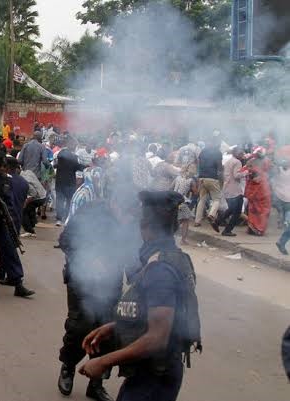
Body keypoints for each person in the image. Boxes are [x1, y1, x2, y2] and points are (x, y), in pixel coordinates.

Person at [79, 191, 191, 401]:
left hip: (154, 378)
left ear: (146, 228)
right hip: (150, 373)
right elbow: (153, 315)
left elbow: (157, 337)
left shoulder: (160, 271)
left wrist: (104, 361)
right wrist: (113, 327)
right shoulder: (169, 258)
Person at [57, 197, 132, 401]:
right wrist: (88, 259)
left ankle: (96, 383)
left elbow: (134, 255)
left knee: (108, 331)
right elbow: (65, 240)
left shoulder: (132, 220)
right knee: (80, 326)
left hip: (111, 283)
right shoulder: (90, 211)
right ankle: (68, 367)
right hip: (82, 279)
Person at [0, 151, 36, 297]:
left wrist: (12, 221)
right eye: (1, 166)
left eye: (5, 166)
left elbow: (9, 203)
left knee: (9, 250)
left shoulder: (5, 179)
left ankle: (17, 283)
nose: (4, 169)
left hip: (0, 221)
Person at [54, 139, 85, 226]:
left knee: (62, 200)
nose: (75, 147)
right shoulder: (68, 155)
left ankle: (60, 219)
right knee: (66, 200)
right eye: (74, 145)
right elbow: (77, 166)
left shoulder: (62, 154)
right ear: (70, 145)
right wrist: (85, 167)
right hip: (68, 182)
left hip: (62, 182)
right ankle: (62, 218)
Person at [194, 134, 223, 227]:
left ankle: (197, 221)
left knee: (201, 200)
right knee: (217, 199)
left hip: (202, 178)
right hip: (212, 178)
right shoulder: (218, 153)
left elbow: (198, 164)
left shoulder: (203, 151)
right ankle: (211, 214)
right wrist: (221, 179)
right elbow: (219, 168)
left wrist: (199, 177)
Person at [244, 147, 272, 236]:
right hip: (262, 190)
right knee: (263, 211)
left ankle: (252, 227)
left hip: (253, 190)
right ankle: (259, 229)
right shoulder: (266, 162)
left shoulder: (251, 161)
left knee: (253, 209)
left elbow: (246, 171)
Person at [221, 148, 247, 237]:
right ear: (237, 154)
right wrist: (246, 172)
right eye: (241, 154)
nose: (242, 156)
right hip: (235, 190)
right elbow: (236, 175)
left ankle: (217, 221)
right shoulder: (237, 162)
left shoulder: (228, 161)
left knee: (231, 209)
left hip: (228, 188)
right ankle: (227, 230)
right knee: (237, 212)